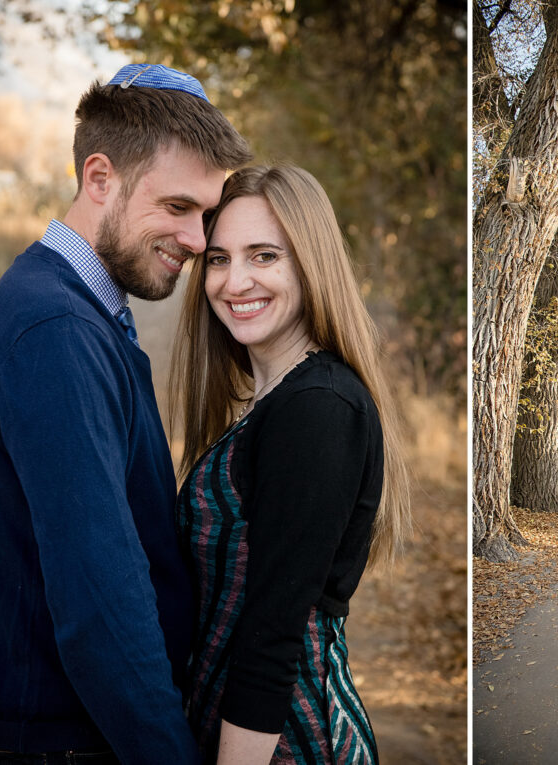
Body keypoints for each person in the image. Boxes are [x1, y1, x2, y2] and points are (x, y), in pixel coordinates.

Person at [0, 65, 251, 763]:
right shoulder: (55, 329)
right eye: (178, 206)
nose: (199, 239)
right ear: (99, 178)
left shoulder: (72, 309)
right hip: (41, 745)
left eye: (206, 214)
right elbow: (101, 607)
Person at [169, 165, 412, 764]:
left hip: (282, 744)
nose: (235, 281)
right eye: (220, 259)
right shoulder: (280, 400)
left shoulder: (318, 409)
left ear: (310, 263)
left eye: (264, 256)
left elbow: (273, 634)